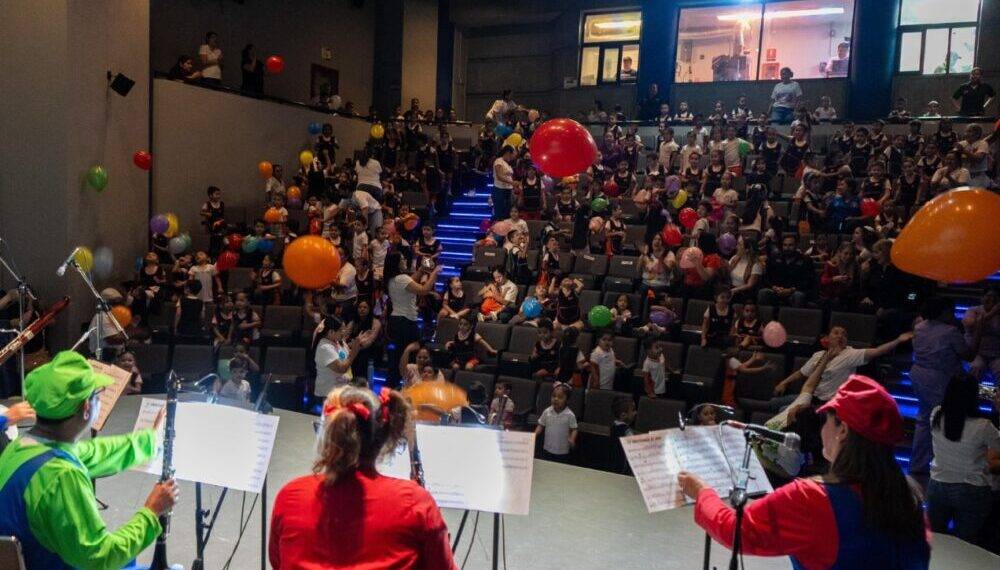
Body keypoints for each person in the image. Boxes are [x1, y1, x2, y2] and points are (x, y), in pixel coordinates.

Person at [682, 375, 930, 567]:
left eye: (826, 421)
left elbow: (735, 531)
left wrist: (703, 493)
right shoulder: (910, 499)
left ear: (843, 430)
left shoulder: (812, 498)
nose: (821, 430)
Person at [0, 352, 178, 569]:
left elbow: (93, 452)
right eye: (97, 394)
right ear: (86, 407)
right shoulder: (61, 476)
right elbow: (100, 557)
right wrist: (152, 511)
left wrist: (149, 440)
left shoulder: (21, 446)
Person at [270, 385, 456, 569]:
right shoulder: (415, 501)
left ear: (328, 434)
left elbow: (279, 562)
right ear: (383, 437)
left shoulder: (290, 496)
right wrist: (434, 528)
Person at [909, 297, 993, 475]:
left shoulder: (919, 326)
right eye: (950, 311)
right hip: (939, 378)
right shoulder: (950, 332)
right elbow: (969, 355)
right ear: (943, 312)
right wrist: (979, 330)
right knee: (943, 418)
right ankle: (946, 464)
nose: (953, 315)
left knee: (924, 419)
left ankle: (917, 465)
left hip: (919, 374)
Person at [927, 373, 1000, 545]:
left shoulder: (936, 414)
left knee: (935, 540)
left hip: (938, 484)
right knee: (967, 544)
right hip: (972, 488)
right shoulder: (983, 426)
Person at [772, 325, 912, 409]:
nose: (840, 336)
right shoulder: (818, 355)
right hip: (810, 397)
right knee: (773, 403)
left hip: (828, 404)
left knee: (784, 411)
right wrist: (784, 382)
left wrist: (897, 341)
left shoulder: (850, 354)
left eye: (844, 334)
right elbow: (801, 373)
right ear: (827, 338)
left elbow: (877, 351)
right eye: (836, 333)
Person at [386, 252, 442, 388]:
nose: (405, 260)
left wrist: (422, 269)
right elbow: (423, 290)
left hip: (396, 320)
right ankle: (410, 385)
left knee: (398, 356)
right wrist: (434, 274)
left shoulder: (394, 278)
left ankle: (395, 385)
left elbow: (411, 281)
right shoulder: (402, 278)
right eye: (402, 259)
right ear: (397, 263)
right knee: (409, 355)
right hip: (406, 322)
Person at [313, 316, 360, 401]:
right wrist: (353, 352)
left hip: (342, 391)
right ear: (331, 331)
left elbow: (347, 357)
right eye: (341, 330)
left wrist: (357, 343)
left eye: (344, 329)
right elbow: (341, 368)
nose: (344, 332)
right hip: (329, 393)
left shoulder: (338, 341)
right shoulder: (325, 347)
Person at [757, 235, 811, 307]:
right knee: (763, 293)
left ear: (796, 245)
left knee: (798, 295)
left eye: (790, 245)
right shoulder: (774, 259)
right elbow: (767, 278)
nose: (787, 248)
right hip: (777, 290)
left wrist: (791, 290)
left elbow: (807, 281)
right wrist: (773, 287)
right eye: (785, 245)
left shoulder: (805, 260)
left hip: (794, 291)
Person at [963, 286, 1000, 380]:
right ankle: (971, 388)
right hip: (976, 353)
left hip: (996, 354)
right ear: (982, 298)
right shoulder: (973, 310)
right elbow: (970, 325)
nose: (992, 299)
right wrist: (992, 313)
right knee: (976, 367)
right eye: (989, 296)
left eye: (995, 297)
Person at [535, 382, 578, 463]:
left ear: (567, 400)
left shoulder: (570, 414)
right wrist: (534, 434)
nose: (556, 399)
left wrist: (572, 439)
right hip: (547, 448)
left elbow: (574, 429)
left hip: (563, 451)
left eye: (560, 397)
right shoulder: (547, 411)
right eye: (553, 396)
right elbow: (541, 425)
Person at [493, 145, 515, 221]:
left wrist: (513, 185)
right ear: (508, 153)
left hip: (508, 189)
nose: (513, 156)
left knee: (507, 212)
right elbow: (499, 176)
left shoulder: (508, 163)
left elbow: (509, 177)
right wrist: (512, 182)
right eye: (512, 154)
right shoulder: (498, 161)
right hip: (500, 189)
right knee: (500, 212)